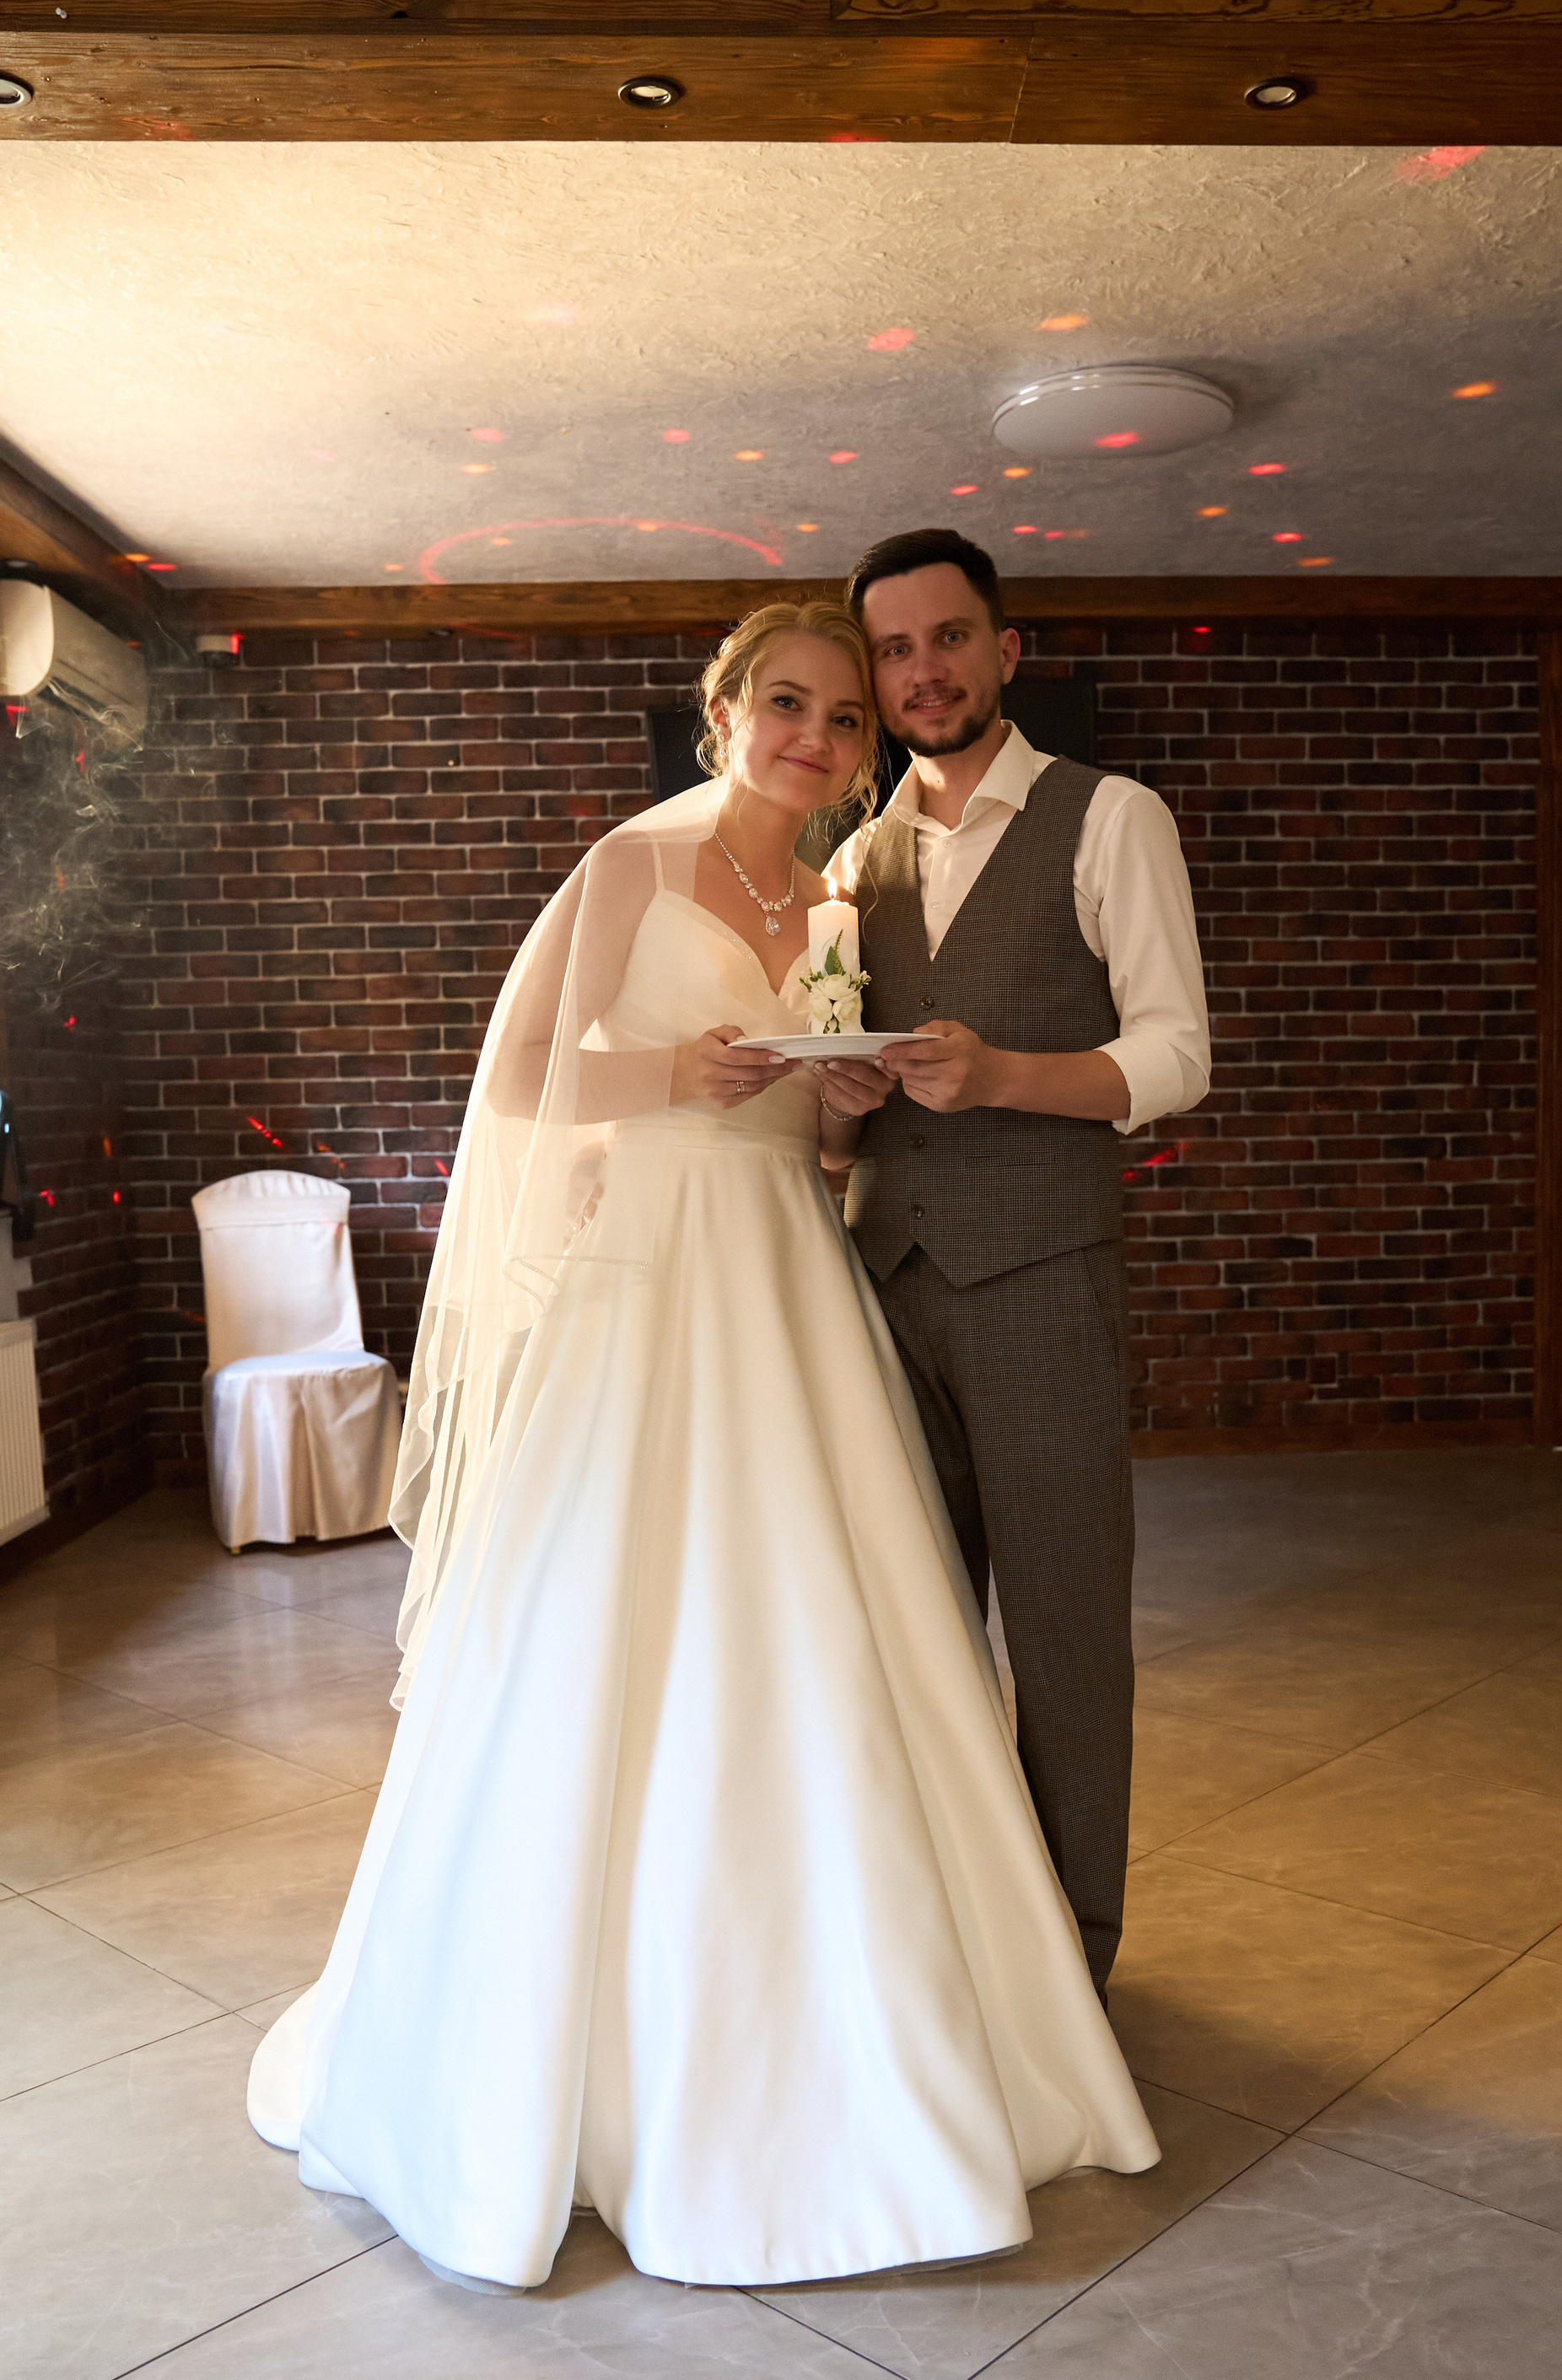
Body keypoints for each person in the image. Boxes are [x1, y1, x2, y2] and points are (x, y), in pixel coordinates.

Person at [246, 598, 1159, 2294]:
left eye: (843, 720)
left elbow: (808, 1138)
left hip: (786, 1273)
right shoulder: (634, 868)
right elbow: (526, 1082)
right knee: (613, 1624)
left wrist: (839, 1105)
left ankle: (867, 2004)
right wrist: (683, 1065)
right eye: (788, 705)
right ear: (724, 711)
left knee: (817, 1623)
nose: (817, 738)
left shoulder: (835, 902)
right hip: (648, 1281)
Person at [816, 530, 1211, 2001]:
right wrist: (838, 1103)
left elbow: (1175, 1055)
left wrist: (999, 1077)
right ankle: (945, 1960)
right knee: (911, 1641)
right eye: (895, 649)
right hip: (880, 1285)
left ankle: (1070, 1968)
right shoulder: (852, 863)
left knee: (1062, 1637)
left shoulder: (1111, 819)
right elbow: (841, 1112)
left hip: (1043, 1281)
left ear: (1006, 651)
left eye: (949, 637)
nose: (924, 670)